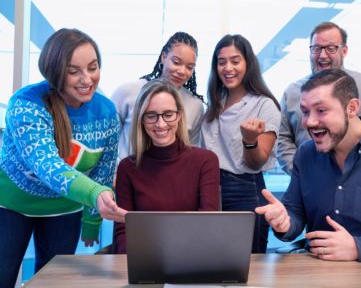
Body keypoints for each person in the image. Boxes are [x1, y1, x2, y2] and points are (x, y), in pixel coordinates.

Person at [0, 28, 127, 287]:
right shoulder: (26, 104)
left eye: (93, 68)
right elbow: (47, 165)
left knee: (53, 282)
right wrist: (95, 195)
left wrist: (92, 219)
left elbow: (103, 170)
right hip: (11, 206)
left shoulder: (105, 110)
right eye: (74, 71)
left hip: (64, 209)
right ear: (54, 71)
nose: (87, 79)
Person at [256, 68, 361, 262]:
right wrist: (285, 222)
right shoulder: (305, 154)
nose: (310, 122)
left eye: (321, 110)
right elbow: (295, 214)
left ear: (352, 108)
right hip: (318, 271)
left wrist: (359, 248)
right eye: (305, 112)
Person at [278, 21, 361, 174]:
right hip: (312, 183)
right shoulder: (293, 92)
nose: (322, 55)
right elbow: (282, 140)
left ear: (344, 51)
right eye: (316, 48)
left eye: (331, 48)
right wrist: (302, 171)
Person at [113, 79, 220, 254]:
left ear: (178, 115)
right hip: (144, 258)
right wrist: (134, 265)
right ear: (141, 119)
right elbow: (123, 231)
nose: (160, 124)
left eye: (168, 114)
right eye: (151, 115)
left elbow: (206, 224)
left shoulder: (205, 161)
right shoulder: (127, 168)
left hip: (193, 258)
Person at [201, 34, 281, 253]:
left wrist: (249, 140)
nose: (228, 68)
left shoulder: (265, 105)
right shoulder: (215, 103)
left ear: (248, 64)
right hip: (210, 188)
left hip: (244, 190)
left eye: (235, 61)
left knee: (247, 265)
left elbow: (257, 162)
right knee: (210, 260)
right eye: (221, 62)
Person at [111, 31, 205, 161]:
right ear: (163, 57)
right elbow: (108, 139)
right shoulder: (127, 92)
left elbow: (190, 151)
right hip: (128, 173)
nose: (182, 71)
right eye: (176, 62)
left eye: (190, 67)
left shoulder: (195, 105)